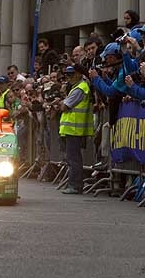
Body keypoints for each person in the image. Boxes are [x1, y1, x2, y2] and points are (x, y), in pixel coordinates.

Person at [58, 66, 94, 194]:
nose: (68, 77)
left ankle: (75, 185)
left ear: (79, 74)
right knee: (72, 158)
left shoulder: (80, 88)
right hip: (71, 129)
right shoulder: (76, 87)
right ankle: (73, 184)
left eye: (71, 74)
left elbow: (65, 106)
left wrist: (61, 103)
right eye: (67, 75)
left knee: (74, 159)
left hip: (74, 129)